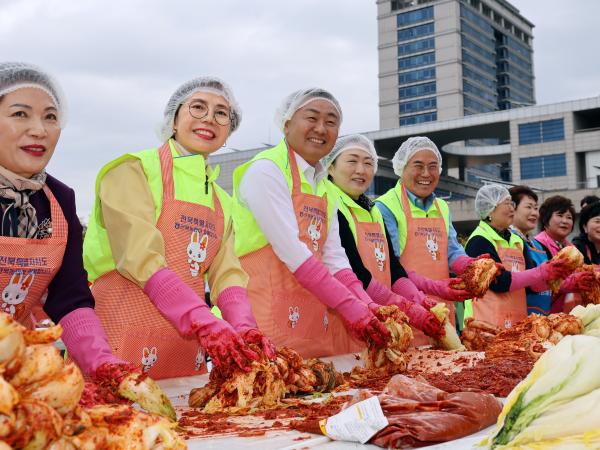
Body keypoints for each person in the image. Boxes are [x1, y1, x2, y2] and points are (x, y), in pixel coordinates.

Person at [83, 77, 272, 379]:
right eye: (198, 107)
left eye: (222, 113)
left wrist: (244, 326)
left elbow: (227, 272)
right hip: (120, 340)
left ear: (227, 133)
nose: (209, 117)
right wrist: (202, 321)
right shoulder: (132, 170)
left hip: (184, 353)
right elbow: (138, 256)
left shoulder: (221, 201)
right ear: (173, 120)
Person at [0, 62, 136, 377]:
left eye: (50, 116)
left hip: (17, 372)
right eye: (20, 114)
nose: (39, 129)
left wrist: (103, 364)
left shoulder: (58, 199)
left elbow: (70, 298)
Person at [233, 88, 389, 358]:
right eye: (312, 118)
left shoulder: (325, 188)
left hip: (315, 325)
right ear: (286, 123)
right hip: (267, 326)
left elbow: (335, 259)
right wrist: (349, 305)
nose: (321, 128)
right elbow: (292, 251)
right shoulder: (266, 171)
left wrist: (365, 305)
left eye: (331, 122)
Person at [322, 134, 474, 341]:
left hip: (383, 322)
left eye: (368, 163)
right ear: (330, 167)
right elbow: (356, 273)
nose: (361, 170)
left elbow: (392, 270)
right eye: (352, 161)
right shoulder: (329, 205)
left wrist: (419, 300)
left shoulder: (372, 210)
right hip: (350, 322)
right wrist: (410, 307)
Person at [375, 136, 486, 342]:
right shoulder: (386, 206)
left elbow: (452, 251)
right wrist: (437, 288)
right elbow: (390, 268)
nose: (426, 174)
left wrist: (474, 268)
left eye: (432, 166)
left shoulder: (442, 207)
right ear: (401, 168)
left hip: (443, 311)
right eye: (418, 166)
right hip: (407, 313)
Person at [465, 184, 573, 328]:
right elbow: (500, 282)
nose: (512, 208)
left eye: (512, 204)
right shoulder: (479, 241)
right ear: (490, 209)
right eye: (507, 204)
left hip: (516, 323)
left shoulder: (517, 241)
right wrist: (542, 271)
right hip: (485, 324)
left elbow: (531, 285)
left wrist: (556, 275)